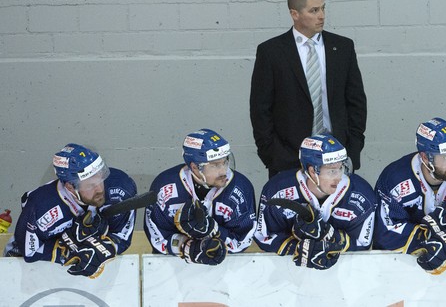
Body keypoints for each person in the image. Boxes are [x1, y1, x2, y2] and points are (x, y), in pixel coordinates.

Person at [250, 0, 367, 178]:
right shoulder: (271, 52)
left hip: (337, 154)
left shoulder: (342, 47)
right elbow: (260, 108)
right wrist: (272, 154)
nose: (321, 15)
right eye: (314, 10)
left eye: (323, 8)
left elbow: (356, 102)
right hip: (288, 159)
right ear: (295, 14)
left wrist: (353, 148)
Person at [373, 118, 446, 275]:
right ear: (425, 157)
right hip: (400, 269)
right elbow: (384, 230)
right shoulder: (395, 179)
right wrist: (426, 239)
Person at [4, 144, 137, 278]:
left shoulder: (120, 188)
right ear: (70, 187)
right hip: (27, 271)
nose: (100, 189)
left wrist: (105, 246)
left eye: (100, 179)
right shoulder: (41, 207)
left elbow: (122, 237)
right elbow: (29, 253)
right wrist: (67, 249)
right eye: (91, 185)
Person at [254, 134, 377, 270]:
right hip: (287, 276)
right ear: (312, 171)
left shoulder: (362, 195)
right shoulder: (277, 190)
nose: (338, 178)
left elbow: (362, 243)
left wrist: (330, 237)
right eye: (331, 171)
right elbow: (263, 236)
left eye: (341, 168)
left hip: (342, 275)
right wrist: (299, 248)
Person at [144, 129, 257, 265]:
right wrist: (187, 247)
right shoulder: (165, 187)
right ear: (195, 167)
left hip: (226, 267)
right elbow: (157, 236)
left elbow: (242, 240)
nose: (224, 171)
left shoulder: (241, 188)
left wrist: (213, 230)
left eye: (225, 162)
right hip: (172, 267)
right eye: (215, 165)